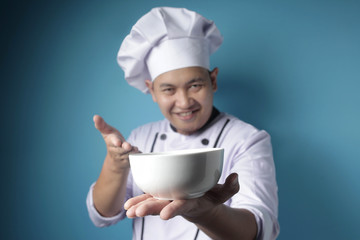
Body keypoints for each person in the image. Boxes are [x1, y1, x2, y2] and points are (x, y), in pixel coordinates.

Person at [86, 7, 279, 240]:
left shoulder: (247, 139)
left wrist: (206, 213)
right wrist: (116, 164)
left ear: (213, 80)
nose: (184, 102)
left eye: (195, 86)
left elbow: (258, 230)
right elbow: (103, 214)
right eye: (168, 89)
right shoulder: (141, 137)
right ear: (152, 91)